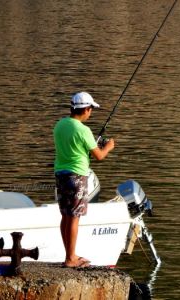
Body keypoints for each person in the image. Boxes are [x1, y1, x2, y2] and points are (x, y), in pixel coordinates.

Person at [53, 91, 115, 268]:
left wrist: (86, 146)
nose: (91, 113)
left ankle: (69, 255)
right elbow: (99, 156)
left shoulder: (60, 125)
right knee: (74, 218)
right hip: (77, 176)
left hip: (60, 174)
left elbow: (71, 146)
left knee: (65, 215)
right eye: (91, 109)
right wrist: (108, 147)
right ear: (86, 109)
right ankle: (71, 258)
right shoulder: (84, 130)